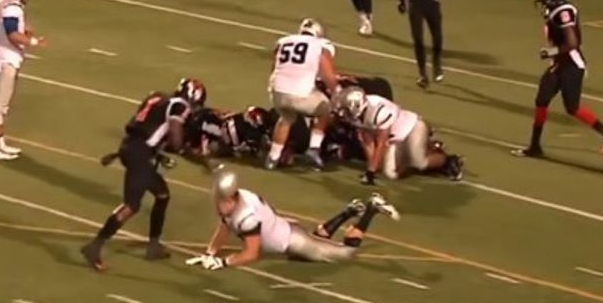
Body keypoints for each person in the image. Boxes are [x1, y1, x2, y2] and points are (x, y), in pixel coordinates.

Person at [82, 78, 208, 271]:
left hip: (132, 148)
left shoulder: (157, 98)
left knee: (162, 194)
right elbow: (175, 140)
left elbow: (146, 130)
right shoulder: (179, 106)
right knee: (131, 206)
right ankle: (94, 246)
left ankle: (153, 246)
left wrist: (152, 154)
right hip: (139, 154)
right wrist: (193, 155)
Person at [185, 167, 399, 269]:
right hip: (288, 232)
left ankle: (370, 209)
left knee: (347, 253)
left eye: (222, 200)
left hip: (294, 242)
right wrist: (209, 252)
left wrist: (222, 262)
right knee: (316, 241)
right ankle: (348, 212)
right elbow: (224, 227)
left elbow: (251, 253)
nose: (219, 205)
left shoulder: (247, 216)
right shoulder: (238, 199)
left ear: (232, 197)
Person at [514, 0, 603, 157]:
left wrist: (552, 51)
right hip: (559, 64)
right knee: (542, 99)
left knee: (572, 107)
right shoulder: (553, 11)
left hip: (572, 65)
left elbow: (573, 42)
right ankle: (535, 146)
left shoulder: (564, 11)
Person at [334, 85, 463, 184]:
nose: (343, 113)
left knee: (420, 163)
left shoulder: (379, 111)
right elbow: (368, 141)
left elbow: (381, 143)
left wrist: (370, 172)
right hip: (395, 138)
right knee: (390, 174)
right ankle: (424, 151)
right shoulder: (358, 115)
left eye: (346, 109)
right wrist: (372, 168)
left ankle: (448, 160)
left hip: (412, 128)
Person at [0, 0, 46, 161]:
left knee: (2, 105)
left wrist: (24, 29)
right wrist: (34, 42)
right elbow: (12, 34)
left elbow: (6, 26)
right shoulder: (11, 7)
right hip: (5, 59)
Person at [265, 18, 338, 170]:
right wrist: (337, 91)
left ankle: (273, 157)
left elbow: (275, 67)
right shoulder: (321, 44)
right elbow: (327, 73)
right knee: (327, 108)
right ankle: (314, 148)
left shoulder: (284, 41)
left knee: (285, 118)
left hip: (277, 93)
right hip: (299, 95)